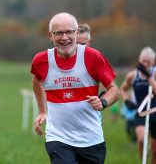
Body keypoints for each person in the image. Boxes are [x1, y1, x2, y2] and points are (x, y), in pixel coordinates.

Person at [31, 12, 119, 164]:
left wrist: (103, 102)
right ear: (50, 35)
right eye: (59, 33)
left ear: (77, 33)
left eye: (69, 32)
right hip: (58, 137)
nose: (64, 38)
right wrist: (42, 111)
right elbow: (36, 80)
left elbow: (114, 90)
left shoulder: (93, 57)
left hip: (91, 139)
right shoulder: (41, 61)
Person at [120, 46, 156, 163]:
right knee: (142, 140)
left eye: (148, 62)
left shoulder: (154, 73)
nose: (145, 64)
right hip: (141, 113)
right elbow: (123, 89)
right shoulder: (132, 75)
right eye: (143, 61)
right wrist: (126, 100)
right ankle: (143, 160)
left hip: (154, 111)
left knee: (155, 151)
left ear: (153, 62)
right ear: (139, 60)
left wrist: (149, 77)